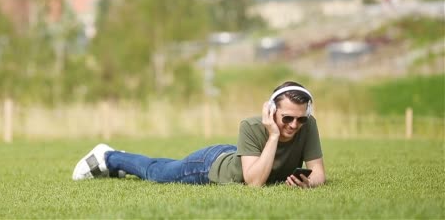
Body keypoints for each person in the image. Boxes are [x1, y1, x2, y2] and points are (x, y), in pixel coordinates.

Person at [72, 81, 326, 188]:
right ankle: (108, 157)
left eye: (301, 118)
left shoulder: (308, 125)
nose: (294, 125)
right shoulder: (251, 126)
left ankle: (117, 165)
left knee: (162, 166)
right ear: (271, 111)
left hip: (236, 155)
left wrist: (308, 183)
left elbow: (319, 174)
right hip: (210, 167)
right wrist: (272, 135)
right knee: (157, 172)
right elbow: (255, 182)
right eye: (288, 118)